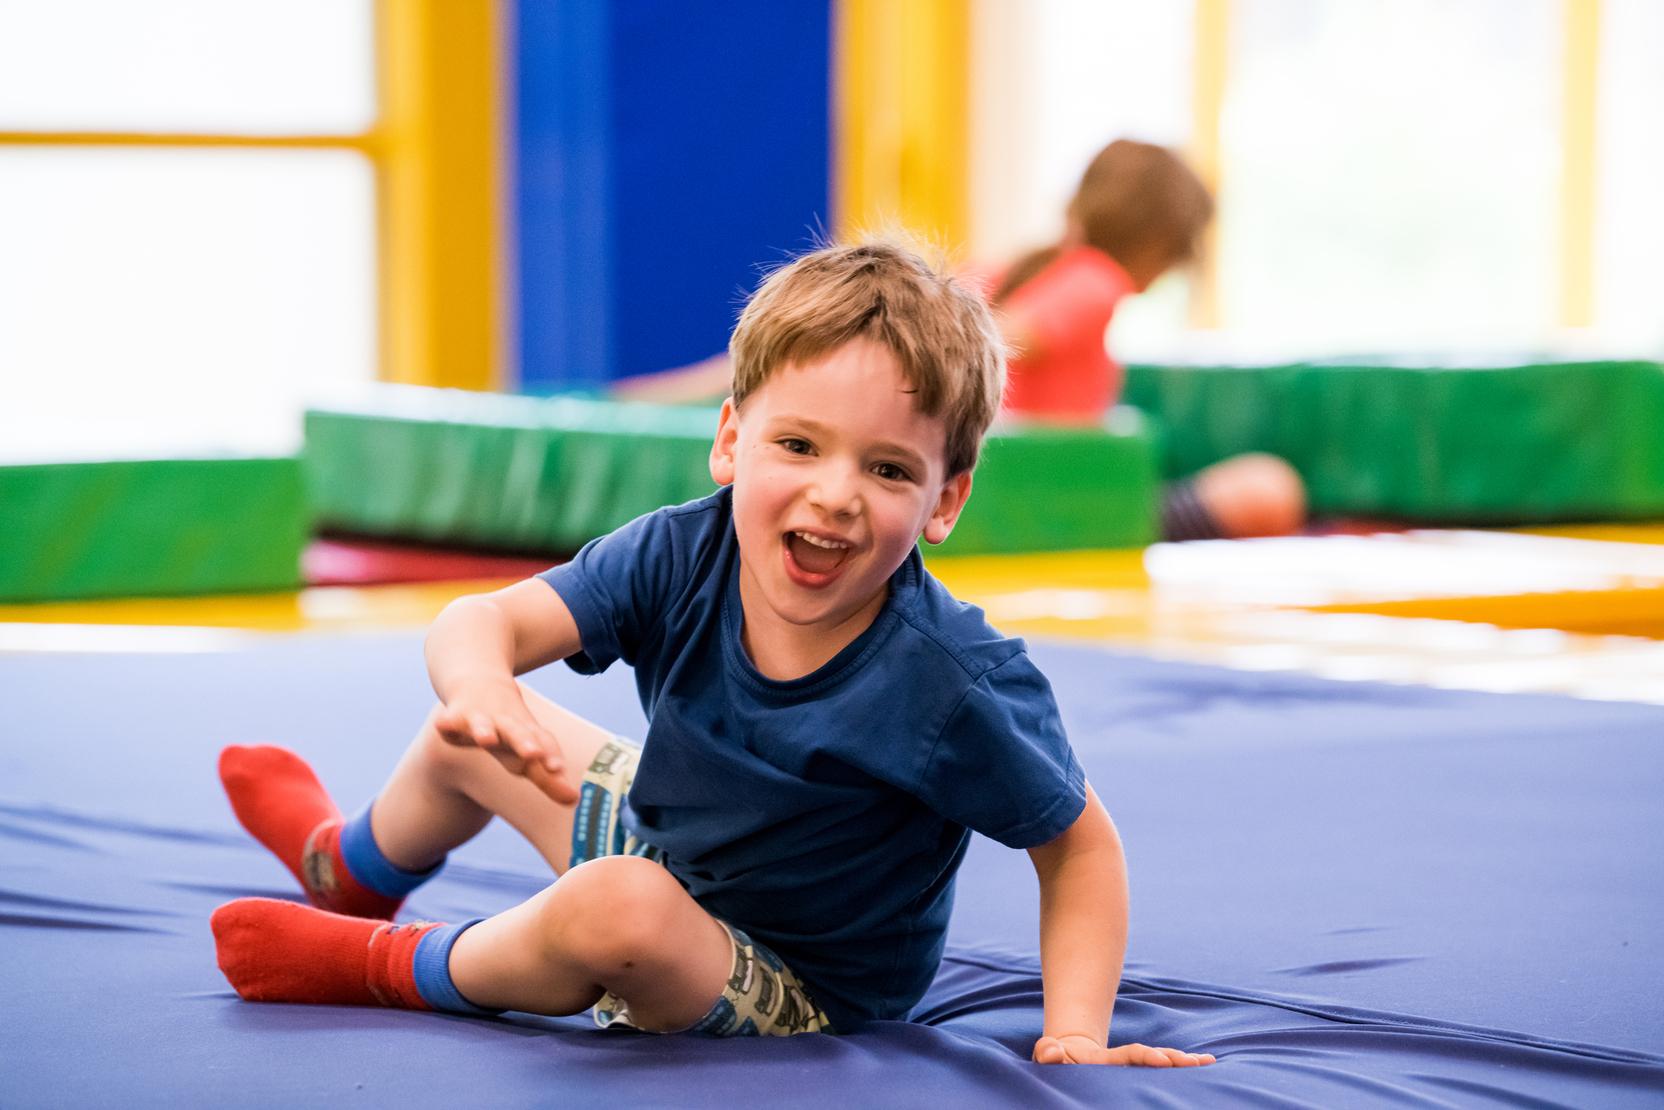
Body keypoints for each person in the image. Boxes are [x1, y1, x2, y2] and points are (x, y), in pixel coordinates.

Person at [209, 240, 1215, 1068]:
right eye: (798, 446)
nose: (833, 493)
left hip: (800, 988)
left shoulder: (949, 680)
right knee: (472, 735)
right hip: (671, 854)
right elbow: (482, 624)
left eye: (886, 468)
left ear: (943, 501)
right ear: (731, 440)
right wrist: (484, 690)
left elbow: (1076, 844)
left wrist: (1074, 1033)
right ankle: (345, 867)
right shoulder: (682, 551)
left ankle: (389, 963)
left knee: (615, 910)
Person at [989, 138, 1306, 541]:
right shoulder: (1096, 280)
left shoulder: (1014, 269)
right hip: (1062, 506)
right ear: (1160, 246)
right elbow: (997, 338)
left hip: (1046, 492)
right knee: (1270, 487)